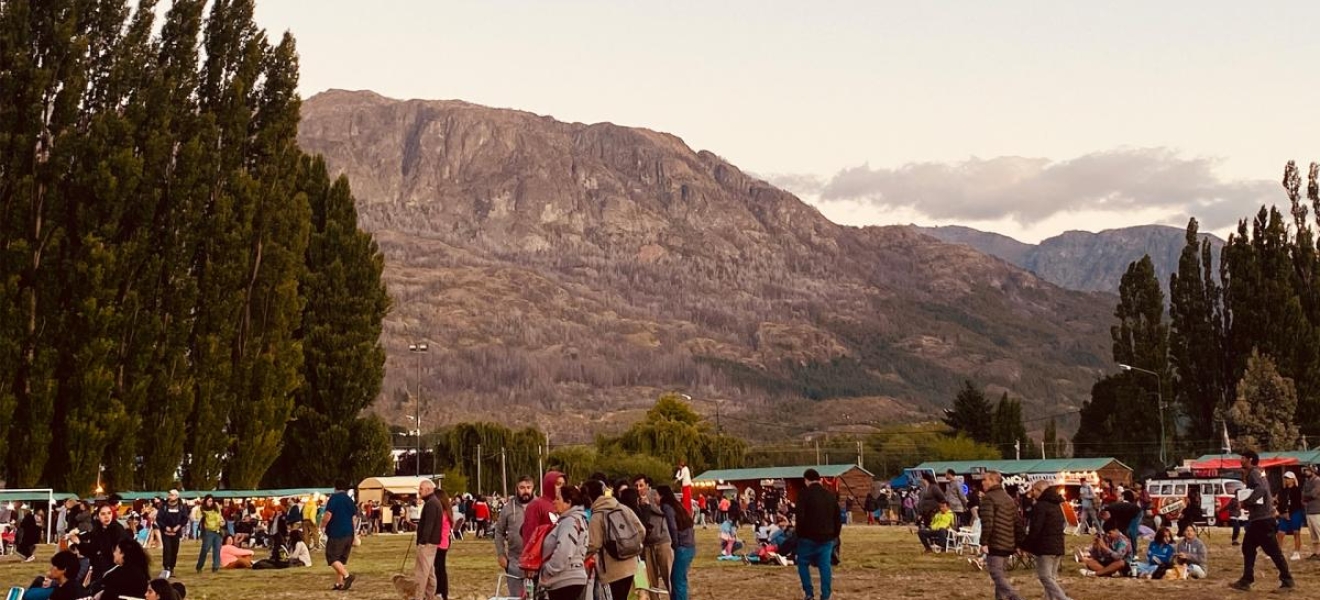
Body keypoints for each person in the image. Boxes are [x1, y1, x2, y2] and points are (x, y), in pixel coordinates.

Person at [1230, 449, 1296, 592]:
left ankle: (1287, 580)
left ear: (1250, 460)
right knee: (1248, 547)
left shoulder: (1254, 473)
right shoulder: (1256, 472)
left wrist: (1247, 502)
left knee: (1273, 551)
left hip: (1263, 519)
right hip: (1258, 520)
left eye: (1243, 457)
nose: (1241, 460)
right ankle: (1246, 580)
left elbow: (1261, 490)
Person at [585, 479, 645, 600]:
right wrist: (631, 546)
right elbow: (642, 530)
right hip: (632, 565)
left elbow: (594, 544)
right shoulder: (623, 508)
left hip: (612, 570)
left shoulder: (597, 515)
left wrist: (580, 556)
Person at [795, 468, 842, 600]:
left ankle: (809, 593)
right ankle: (826, 595)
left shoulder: (803, 494)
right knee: (825, 566)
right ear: (819, 479)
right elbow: (837, 518)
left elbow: (800, 517)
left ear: (806, 480)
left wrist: (799, 534)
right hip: (827, 537)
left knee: (803, 563)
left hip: (807, 537)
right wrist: (835, 535)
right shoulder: (829, 495)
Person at [979, 470, 1025, 600]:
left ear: (993, 480)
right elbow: (1017, 522)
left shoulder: (988, 498)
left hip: (996, 541)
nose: (982, 482)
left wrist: (984, 542)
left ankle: (1016, 597)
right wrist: (1018, 543)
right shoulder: (1008, 498)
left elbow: (987, 521)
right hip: (1008, 542)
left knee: (996, 575)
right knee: (1000, 575)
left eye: (985, 479)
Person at [540, 484, 589, 600]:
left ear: (568, 502)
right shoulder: (580, 520)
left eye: (557, 498)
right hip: (574, 577)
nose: (553, 501)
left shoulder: (569, 522)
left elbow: (564, 550)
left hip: (565, 580)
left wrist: (548, 570)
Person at [1023, 480, 1068, 600]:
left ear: (1039, 490)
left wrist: (1026, 545)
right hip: (1058, 545)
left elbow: (1036, 528)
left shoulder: (1041, 506)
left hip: (1045, 547)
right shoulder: (1057, 505)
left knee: (1045, 577)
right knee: (1051, 578)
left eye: (1033, 490)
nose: (1032, 493)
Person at [632, 475, 672, 598]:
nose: (639, 488)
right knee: (651, 582)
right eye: (636, 486)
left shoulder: (655, 495)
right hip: (647, 545)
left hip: (662, 541)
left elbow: (666, 511)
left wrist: (649, 506)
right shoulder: (634, 500)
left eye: (641, 485)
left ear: (648, 485)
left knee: (669, 576)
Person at [72, 503, 130, 585]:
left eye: (109, 513)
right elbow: (91, 551)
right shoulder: (97, 530)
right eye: (103, 514)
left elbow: (124, 552)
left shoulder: (118, 530)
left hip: (114, 569)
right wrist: (79, 542)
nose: (107, 516)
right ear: (98, 516)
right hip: (98, 569)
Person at [496, 476, 533, 597]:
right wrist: (501, 554)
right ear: (516, 488)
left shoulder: (538, 506)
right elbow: (499, 532)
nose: (526, 491)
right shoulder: (507, 509)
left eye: (528, 487)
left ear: (533, 488)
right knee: (516, 596)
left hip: (536, 562)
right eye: (522, 487)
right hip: (515, 561)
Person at [658, 485, 696, 600]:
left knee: (677, 580)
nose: (654, 497)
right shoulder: (678, 506)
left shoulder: (667, 507)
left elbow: (672, 526)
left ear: (662, 496)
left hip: (682, 547)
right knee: (679, 579)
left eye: (656, 494)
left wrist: (675, 544)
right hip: (689, 546)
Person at [322, 478, 359, 591]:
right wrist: (355, 533)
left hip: (337, 532)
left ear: (335, 487)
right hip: (349, 533)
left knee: (332, 557)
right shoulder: (349, 500)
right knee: (341, 559)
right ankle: (339, 583)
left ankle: (347, 576)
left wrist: (322, 526)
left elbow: (328, 514)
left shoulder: (334, 498)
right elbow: (354, 518)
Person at [521, 471, 564, 556]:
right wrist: (529, 558)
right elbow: (529, 535)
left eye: (563, 484)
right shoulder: (536, 505)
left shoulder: (564, 505)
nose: (562, 487)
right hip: (541, 557)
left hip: (558, 556)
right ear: (549, 484)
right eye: (558, 484)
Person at [413, 478, 443, 600]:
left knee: (422, 572)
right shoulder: (434, 502)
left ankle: (419, 597)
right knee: (430, 572)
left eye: (421, 489)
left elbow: (428, 525)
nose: (419, 491)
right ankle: (430, 595)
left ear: (429, 489)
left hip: (428, 543)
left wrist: (423, 541)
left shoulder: (431, 504)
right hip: (432, 542)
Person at [157, 489, 188, 579]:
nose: (170, 496)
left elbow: (185, 518)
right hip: (166, 531)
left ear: (177, 496)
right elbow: (159, 518)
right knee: (167, 550)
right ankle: (166, 568)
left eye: (172, 494)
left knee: (174, 550)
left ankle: (172, 568)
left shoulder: (181, 506)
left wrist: (178, 526)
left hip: (176, 531)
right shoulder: (164, 506)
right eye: (169, 494)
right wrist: (165, 527)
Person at [1278, 471, 1305, 561]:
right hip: (1284, 514)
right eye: (1285, 478)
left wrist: (1290, 512)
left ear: (1293, 479)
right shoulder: (1283, 490)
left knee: (1296, 532)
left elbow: (1297, 503)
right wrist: (1282, 512)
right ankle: (1278, 552)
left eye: (1288, 478)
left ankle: (1296, 552)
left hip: (1295, 513)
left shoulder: (1297, 490)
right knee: (1280, 533)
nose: (1286, 480)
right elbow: (1280, 502)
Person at [194, 495, 223, 574]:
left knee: (217, 549)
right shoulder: (203, 510)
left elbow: (220, 517)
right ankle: (199, 566)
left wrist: (222, 522)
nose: (210, 503)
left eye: (211, 501)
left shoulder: (216, 509)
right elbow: (197, 517)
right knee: (205, 549)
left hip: (217, 531)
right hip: (208, 531)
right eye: (209, 501)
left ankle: (215, 567)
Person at [434, 489, 454, 600]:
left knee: (439, 568)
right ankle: (441, 591)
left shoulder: (442, 513)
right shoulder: (447, 512)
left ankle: (441, 591)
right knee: (440, 568)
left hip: (440, 543)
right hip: (444, 542)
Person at [1304, 465, 1320, 560]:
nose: (1306, 472)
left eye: (1307, 470)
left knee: (1319, 532)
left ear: (1313, 471)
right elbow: (1303, 494)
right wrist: (1306, 495)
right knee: (1313, 534)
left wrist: (1306, 495)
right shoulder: (1307, 481)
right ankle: (1316, 552)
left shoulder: (1318, 481)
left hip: (1317, 510)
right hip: (1309, 510)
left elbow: (1314, 494)